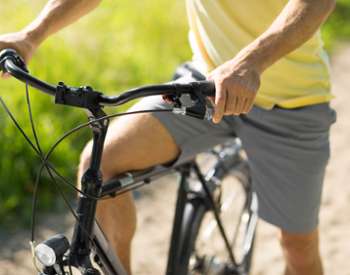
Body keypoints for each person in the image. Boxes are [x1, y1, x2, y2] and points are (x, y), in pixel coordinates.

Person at [0, 0, 337, 274]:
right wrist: (31, 35)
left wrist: (249, 63)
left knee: (299, 249)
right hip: (203, 86)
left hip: (291, 102)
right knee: (100, 164)